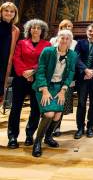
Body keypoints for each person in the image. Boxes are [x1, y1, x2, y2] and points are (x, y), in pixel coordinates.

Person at [31, 30, 77, 157]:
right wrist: (44, 90)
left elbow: (70, 74)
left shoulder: (73, 55)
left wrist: (63, 90)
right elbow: (40, 71)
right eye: (62, 37)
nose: (64, 40)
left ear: (70, 41)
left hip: (59, 87)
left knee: (57, 115)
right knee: (49, 113)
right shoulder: (48, 51)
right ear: (57, 39)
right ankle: (37, 142)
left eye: (67, 38)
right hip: (44, 86)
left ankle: (48, 137)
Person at [7, 19, 51, 149]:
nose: (35, 30)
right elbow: (16, 58)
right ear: (29, 30)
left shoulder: (47, 45)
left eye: (38, 28)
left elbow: (45, 62)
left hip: (37, 80)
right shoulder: (21, 42)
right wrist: (24, 72)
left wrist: (33, 72)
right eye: (33, 28)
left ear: (42, 31)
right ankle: (13, 136)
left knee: (35, 109)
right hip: (21, 79)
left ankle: (29, 135)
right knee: (15, 108)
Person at [74, 24, 93, 139]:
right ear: (87, 32)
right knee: (81, 103)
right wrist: (86, 70)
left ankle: (90, 127)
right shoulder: (80, 43)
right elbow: (76, 58)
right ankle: (80, 128)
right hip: (82, 77)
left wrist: (92, 72)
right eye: (90, 31)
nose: (92, 33)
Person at [49, 19, 77, 137]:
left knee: (61, 105)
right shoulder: (52, 40)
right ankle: (47, 128)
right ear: (60, 27)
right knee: (51, 105)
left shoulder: (74, 43)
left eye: (70, 26)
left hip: (66, 78)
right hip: (52, 77)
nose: (68, 28)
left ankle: (56, 128)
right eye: (65, 26)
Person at [0, 2, 20, 106]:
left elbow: (12, 49)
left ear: (15, 14)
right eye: (6, 10)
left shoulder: (15, 30)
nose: (9, 13)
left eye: (12, 11)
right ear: (1, 12)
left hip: (4, 65)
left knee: (0, 92)